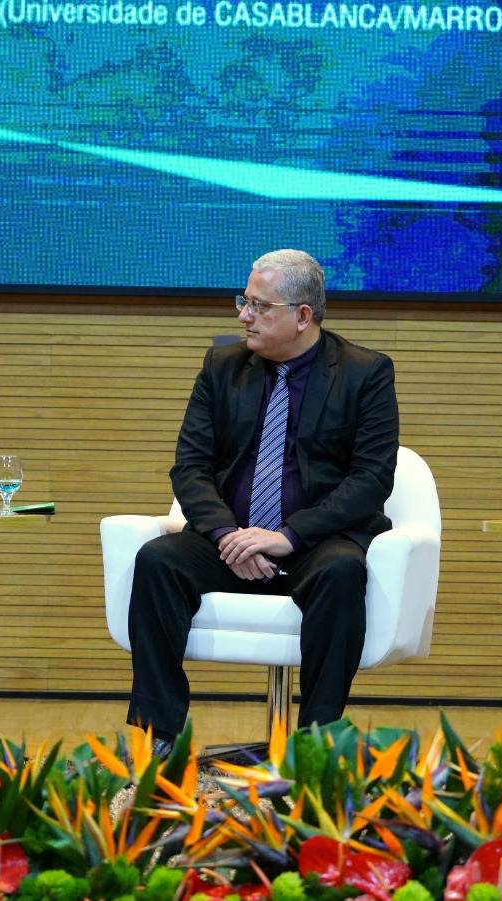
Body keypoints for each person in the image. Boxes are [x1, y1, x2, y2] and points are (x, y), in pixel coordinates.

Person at [126, 250, 400, 753]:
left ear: (303, 315)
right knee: (158, 561)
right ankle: (159, 738)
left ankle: (314, 746)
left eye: (259, 306)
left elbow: (371, 479)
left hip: (314, 543)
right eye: (243, 301)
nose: (243, 316)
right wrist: (226, 536)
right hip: (231, 540)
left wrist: (286, 537)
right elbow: (190, 466)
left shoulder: (365, 372)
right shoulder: (222, 366)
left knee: (342, 572)